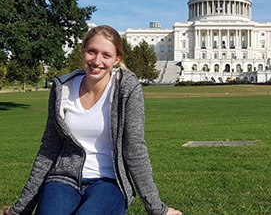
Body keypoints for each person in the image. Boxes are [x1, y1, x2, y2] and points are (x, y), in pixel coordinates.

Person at [5, 25, 182, 215]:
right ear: (83, 52)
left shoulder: (127, 89)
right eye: (92, 52)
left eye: (106, 55)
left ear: (117, 59)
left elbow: (134, 148)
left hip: (109, 181)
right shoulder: (62, 89)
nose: (97, 61)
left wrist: (156, 209)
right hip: (63, 179)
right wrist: (21, 209)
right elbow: (48, 148)